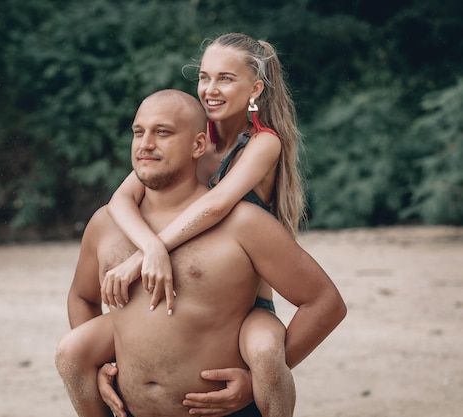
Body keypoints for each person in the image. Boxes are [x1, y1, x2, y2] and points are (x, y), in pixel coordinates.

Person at [56, 89, 346, 417]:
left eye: (162, 132)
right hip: (128, 410)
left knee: (265, 350)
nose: (145, 144)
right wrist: (101, 368)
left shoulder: (244, 223)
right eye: (138, 133)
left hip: (225, 412)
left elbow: (325, 302)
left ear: (197, 146)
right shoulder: (106, 223)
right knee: (69, 351)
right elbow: (82, 297)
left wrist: (253, 381)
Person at [101, 33, 304, 417]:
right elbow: (120, 200)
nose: (210, 89)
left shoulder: (263, 143)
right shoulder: (193, 139)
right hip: (193, 297)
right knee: (77, 349)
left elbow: (215, 205)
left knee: (264, 355)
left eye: (225, 78)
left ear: (255, 88)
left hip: (246, 304)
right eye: (204, 77)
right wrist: (151, 248)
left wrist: (140, 257)